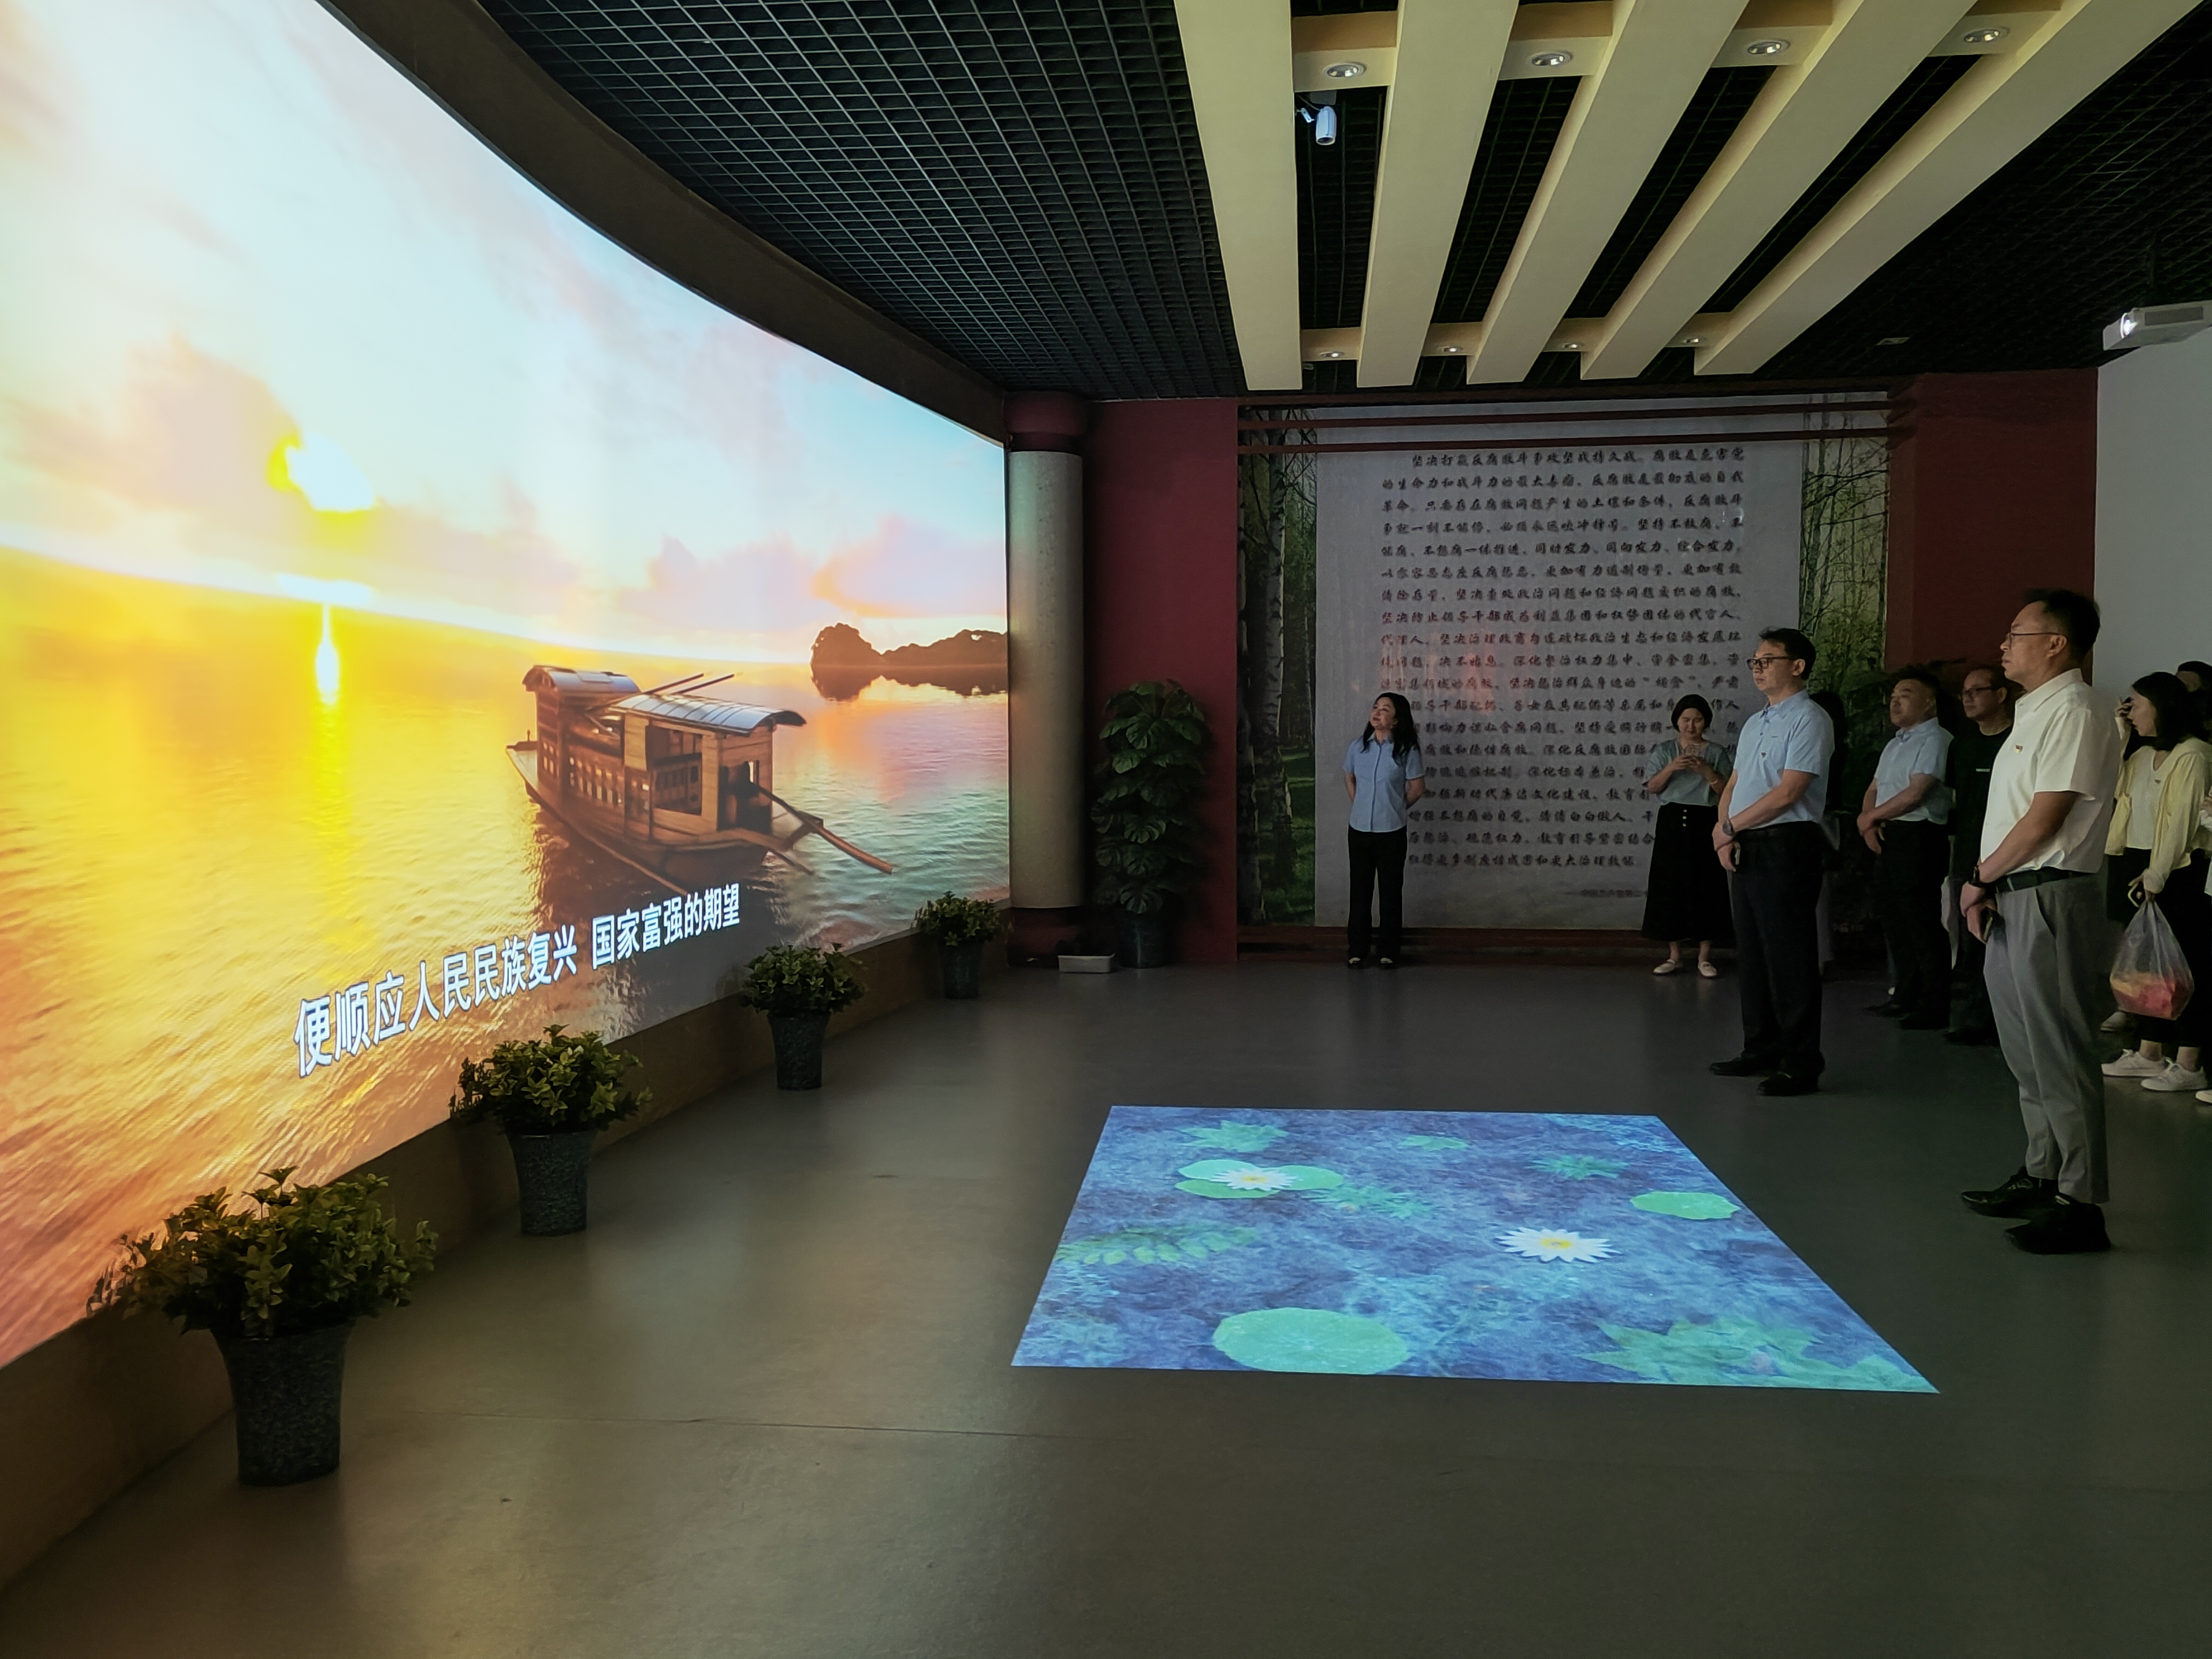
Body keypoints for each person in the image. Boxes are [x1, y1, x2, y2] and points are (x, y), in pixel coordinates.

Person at [1959, 589, 2127, 1254]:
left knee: (2059, 1052)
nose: (2003, 646)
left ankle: (2080, 1203)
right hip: (2014, 892)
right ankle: (2042, 1173)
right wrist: (1989, 884)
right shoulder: (2034, 711)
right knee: (2026, 1053)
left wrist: (1979, 878)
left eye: (2016, 633)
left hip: (2050, 893)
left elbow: (2043, 821)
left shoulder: (2077, 711)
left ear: (2056, 643)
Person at [1708, 628, 1834, 1096]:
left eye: (1768, 660)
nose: (1758, 668)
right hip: (1746, 843)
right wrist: (1724, 832)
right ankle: (1760, 1047)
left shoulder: (1811, 719)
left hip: (1786, 844)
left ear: (1797, 666)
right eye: (1755, 661)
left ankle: (1801, 1063)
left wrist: (1730, 828)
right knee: (1754, 953)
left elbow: (1790, 792)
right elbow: (1735, 782)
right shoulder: (1755, 722)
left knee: (1789, 956)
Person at [2097, 672, 2212, 1093]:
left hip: (2176, 868)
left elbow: (2182, 821)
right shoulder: (2142, 754)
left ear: (2162, 707)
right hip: (2135, 858)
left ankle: (2189, 1060)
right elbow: (2109, 785)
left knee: (2184, 964)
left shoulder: (2194, 754)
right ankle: (2149, 1050)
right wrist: (2120, 733)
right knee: (2146, 964)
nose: (2131, 711)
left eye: (2137, 704)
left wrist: (2158, 874)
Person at [1859, 667, 1953, 1029]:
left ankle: (1934, 1004)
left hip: (1919, 836)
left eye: (1906, 695)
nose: (1895, 702)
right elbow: (1875, 787)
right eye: (1894, 696)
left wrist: (1870, 819)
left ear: (1930, 702)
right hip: (1889, 834)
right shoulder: (1895, 743)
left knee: (1921, 921)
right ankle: (1905, 994)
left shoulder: (1937, 739)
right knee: (1895, 919)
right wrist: (1869, 820)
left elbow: (1917, 793)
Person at [1943, 665, 2014, 1044]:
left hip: (2008, 854)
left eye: (1977, 691)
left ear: (2001, 695)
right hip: (1967, 853)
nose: (1968, 698)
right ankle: (1972, 1019)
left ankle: (2004, 1022)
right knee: (1970, 941)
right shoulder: (1962, 744)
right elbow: (1957, 801)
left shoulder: (2018, 740)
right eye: (1964, 692)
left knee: (2007, 941)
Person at [1640, 694, 1734, 977]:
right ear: (1677, 722)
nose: (1691, 726)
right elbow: (1652, 787)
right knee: (1670, 885)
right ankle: (1675, 955)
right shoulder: (1665, 750)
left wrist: (1707, 771)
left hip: (1705, 820)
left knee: (1707, 885)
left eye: (1697, 720)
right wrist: (1673, 766)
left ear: (1706, 722)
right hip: (1671, 820)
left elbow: (1727, 791)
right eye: (1686, 720)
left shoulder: (1716, 752)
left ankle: (1705, 957)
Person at [1343, 692, 1424, 970]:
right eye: (1375, 707)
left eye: (1385, 709)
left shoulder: (1406, 750)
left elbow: (1417, 787)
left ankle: (1389, 950)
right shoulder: (1358, 747)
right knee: (1360, 891)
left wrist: (1397, 807)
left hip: (1391, 830)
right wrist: (1358, 803)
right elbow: (1349, 776)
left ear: (1397, 719)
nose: (1377, 713)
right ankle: (1357, 949)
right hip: (1360, 829)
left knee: (1390, 892)